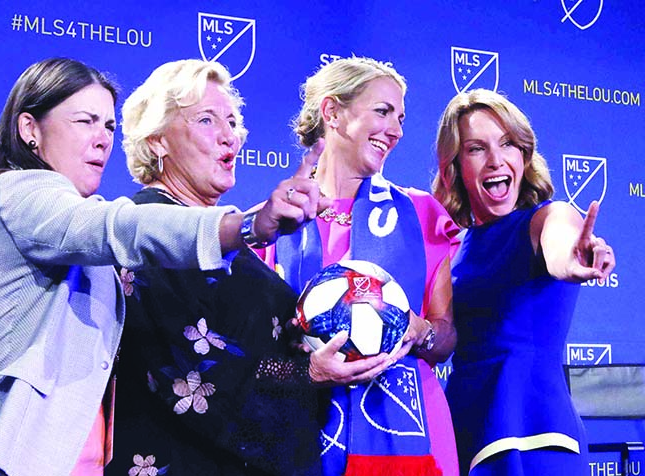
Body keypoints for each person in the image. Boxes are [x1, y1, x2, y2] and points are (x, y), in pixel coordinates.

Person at [0, 57, 332, 476]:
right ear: (30, 129)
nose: (102, 139)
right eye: (84, 121)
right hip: (5, 462)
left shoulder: (81, 226)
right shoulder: (18, 191)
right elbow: (116, 228)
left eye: (108, 126)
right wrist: (246, 225)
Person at [105, 59, 396, 476]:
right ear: (157, 141)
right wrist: (308, 372)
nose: (230, 136)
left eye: (233, 121)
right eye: (207, 120)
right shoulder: (144, 233)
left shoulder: (235, 243)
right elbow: (194, 377)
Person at [260, 57, 460, 475]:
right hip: (301, 435)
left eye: (401, 118)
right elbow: (255, 363)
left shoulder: (422, 214)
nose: (397, 130)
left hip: (412, 433)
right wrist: (309, 370)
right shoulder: (273, 223)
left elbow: (445, 338)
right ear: (332, 112)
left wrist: (418, 329)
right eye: (383, 111)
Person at [431, 88, 616, 475]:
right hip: (462, 433)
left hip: (533, 432)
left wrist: (577, 258)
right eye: (476, 148)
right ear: (455, 167)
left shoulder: (546, 219)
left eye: (508, 144)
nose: (496, 160)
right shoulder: (451, 248)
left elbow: (563, 248)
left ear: (524, 155)